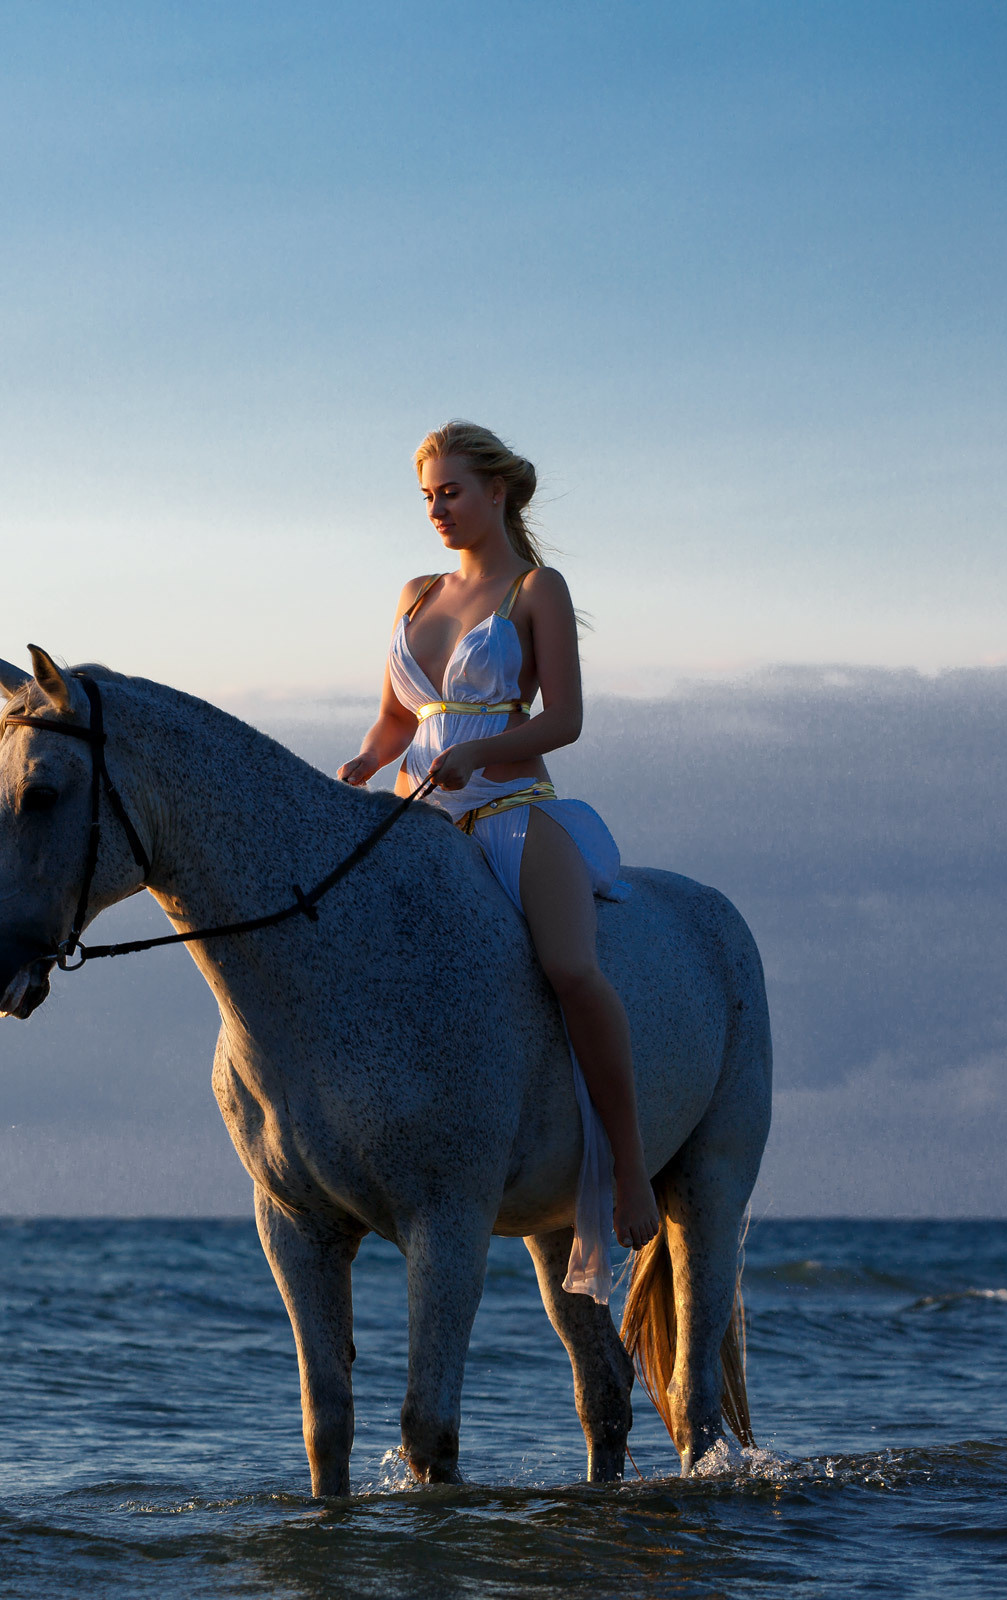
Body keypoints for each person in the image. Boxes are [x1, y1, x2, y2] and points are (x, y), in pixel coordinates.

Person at [336, 420, 658, 1302]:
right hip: (421, 815)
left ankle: (631, 1170)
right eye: (428, 496)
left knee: (569, 968)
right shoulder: (414, 593)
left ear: (498, 493)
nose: (438, 509)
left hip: (511, 809)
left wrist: (479, 756)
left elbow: (566, 720)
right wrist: (367, 760)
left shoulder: (535, 588)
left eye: (453, 491)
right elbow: (399, 719)